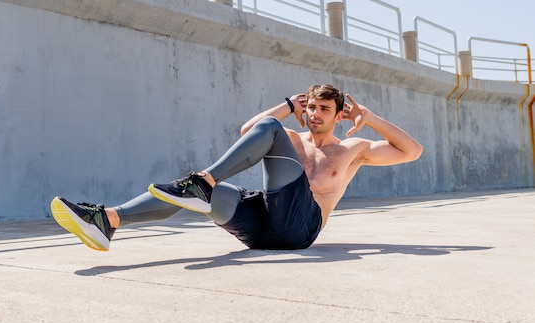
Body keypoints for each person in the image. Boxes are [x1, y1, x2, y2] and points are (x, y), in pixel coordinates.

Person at [51, 84, 423, 251]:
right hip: (259, 229)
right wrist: (284, 106)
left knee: (209, 179)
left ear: (339, 114)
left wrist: (371, 118)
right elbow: (251, 132)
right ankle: (108, 221)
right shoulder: (291, 139)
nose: (313, 114)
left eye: (323, 109)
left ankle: (200, 182)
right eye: (309, 107)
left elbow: (412, 151)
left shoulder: (353, 149)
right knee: (202, 195)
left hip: (301, 228)